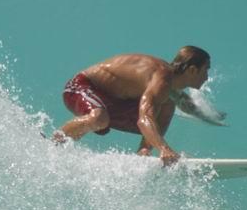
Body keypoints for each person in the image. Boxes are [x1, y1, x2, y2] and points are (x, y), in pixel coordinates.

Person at [54, 45, 211, 166]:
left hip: (113, 102)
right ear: (192, 70)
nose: (207, 77)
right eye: (206, 70)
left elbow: (184, 103)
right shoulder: (162, 78)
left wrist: (209, 116)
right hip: (81, 86)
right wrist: (164, 148)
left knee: (168, 104)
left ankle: (143, 151)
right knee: (99, 118)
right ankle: (54, 144)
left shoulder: (169, 86)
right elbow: (144, 119)